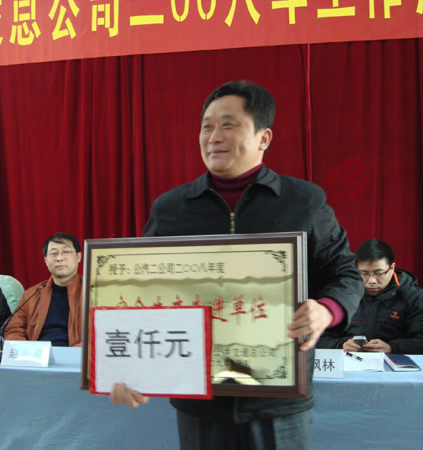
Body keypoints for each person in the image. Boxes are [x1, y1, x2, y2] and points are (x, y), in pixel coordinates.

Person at [110, 81, 363, 450]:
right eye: (206, 126)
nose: (213, 137)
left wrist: (327, 310)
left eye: (228, 125)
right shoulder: (171, 208)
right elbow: (144, 295)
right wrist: (130, 366)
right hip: (200, 400)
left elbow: (344, 273)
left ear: (264, 137)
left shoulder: (303, 201)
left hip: (278, 401)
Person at [317, 239, 423, 354]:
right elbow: (317, 338)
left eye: (378, 273)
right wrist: (342, 345)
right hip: (348, 361)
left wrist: (392, 348)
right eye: (364, 273)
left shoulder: (414, 297)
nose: (371, 280)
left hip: (394, 364)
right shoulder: (344, 296)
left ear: (392, 267)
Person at [5, 233, 83, 347]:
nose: (59, 258)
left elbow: (101, 334)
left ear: (79, 256)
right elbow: (13, 329)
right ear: (46, 260)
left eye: (66, 252)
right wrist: (26, 351)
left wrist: (74, 353)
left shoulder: (94, 293)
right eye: (54, 253)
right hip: (36, 355)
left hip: (76, 356)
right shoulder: (32, 294)